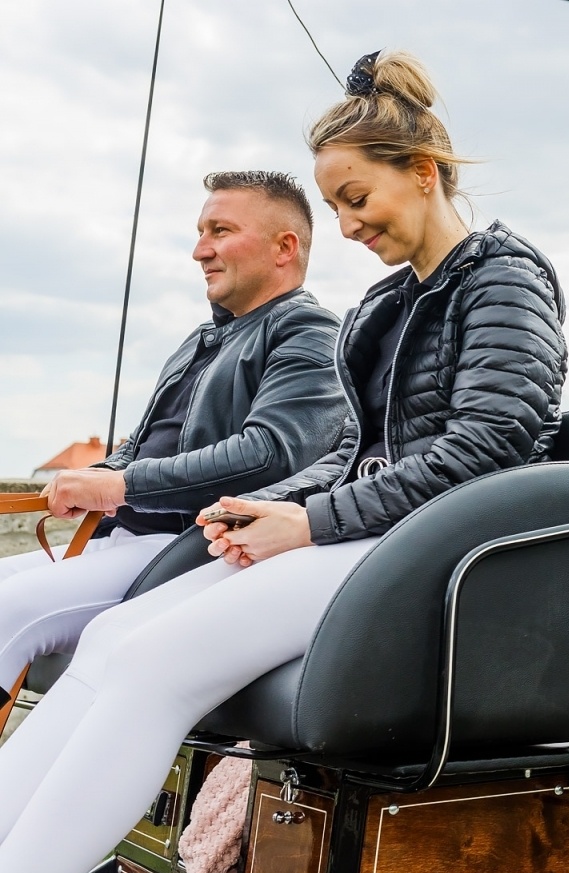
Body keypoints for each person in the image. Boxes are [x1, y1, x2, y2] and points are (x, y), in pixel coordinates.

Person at [0, 49, 567, 873]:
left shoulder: (503, 277)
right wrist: (267, 504)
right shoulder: (389, 305)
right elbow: (351, 455)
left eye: (356, 198)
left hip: (440, 556)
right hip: (376, 536)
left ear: (423, 174)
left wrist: (312, 522)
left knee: (154, 662)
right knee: (113, 640)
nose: (346, 225)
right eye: (335, 204)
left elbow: (489, 447)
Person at [0, 171, 344, 701]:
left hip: (186, 550)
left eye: (220, 231)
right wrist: (94, 476)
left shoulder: (309, 333)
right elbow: (139, 448)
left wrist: (119, 486)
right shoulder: (201, 339)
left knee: (9, 610)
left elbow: (271, 455)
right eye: (200, 232)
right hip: (117, 544)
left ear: (285, 247)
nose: (199, 251)